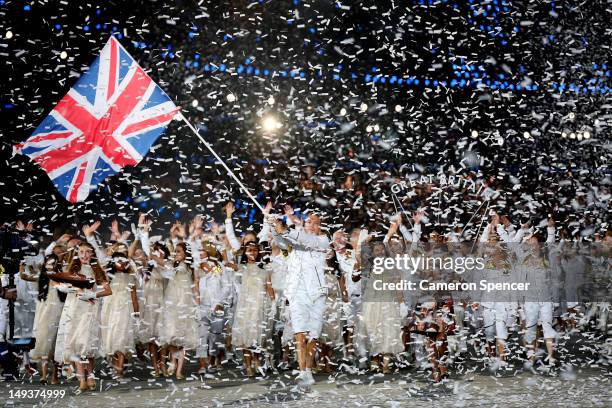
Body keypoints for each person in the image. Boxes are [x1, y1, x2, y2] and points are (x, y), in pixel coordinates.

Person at [271, 209, 330, 390]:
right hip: (297, 293)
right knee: (300, 333)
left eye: (316, 222)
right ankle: (303, 369)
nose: (313, 225)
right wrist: (274, 225)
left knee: (313, 333)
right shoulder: (292, 243)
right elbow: (279, 240)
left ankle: (308, 369)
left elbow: (307, 240)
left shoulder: (322, 241)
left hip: (317, 293)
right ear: (304, 224)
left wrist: (286, 230)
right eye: (310, 222)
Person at [53, 240, 112, 392]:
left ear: (92, 253)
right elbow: (59, 284)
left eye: (87, 252)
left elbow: (108, 290)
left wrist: (91, 294)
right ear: (77, 254)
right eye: (81, 252)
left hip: (89, 310)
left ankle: (90, 377)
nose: (84, 255)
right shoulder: (72, 269)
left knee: (86, 344)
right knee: (75, 344)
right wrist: (69, 288)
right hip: (73, 309)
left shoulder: (97, 270)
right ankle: (82, 380)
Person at [231, 241, 274, 377]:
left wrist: (273, 303)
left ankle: (256, 362)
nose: (252, 252)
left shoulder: (264, 270)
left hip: (258, 307)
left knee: (256, 337)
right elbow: (228, 265)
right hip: (245, 307)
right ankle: (248, 365)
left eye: (255, 250)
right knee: (245, 337)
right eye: (249, 250)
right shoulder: (241, 268)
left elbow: (269, 288)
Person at [157, 242, 198, 380]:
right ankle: (173, 362)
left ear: (186, 254)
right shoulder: (173, 266)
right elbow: (163, 264)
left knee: (181, 338)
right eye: (175, 251)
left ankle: (179, 369)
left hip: (183, 306)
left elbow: (194, 286)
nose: (176, 254)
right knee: (171, 336)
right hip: (171, 305)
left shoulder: (187, 268)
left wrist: (196, 304)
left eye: (179, 251)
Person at [100, 251, 140, 379]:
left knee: (122, 337)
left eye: (124, 261)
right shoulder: (108, 276)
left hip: (125, 310)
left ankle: (120, 368)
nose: (121, 263)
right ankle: (115, 365)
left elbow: (134, 297)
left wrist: (136, 313)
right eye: (119, 260)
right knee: (110, 338)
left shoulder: (130, 277)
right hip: (110, 309)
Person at [31, 254, 65, 384]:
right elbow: (26, 276)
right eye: (48, 264)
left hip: (58, 313)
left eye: (53, 264)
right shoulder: (42, 278)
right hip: (44, 314)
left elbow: (65, 291)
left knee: (56, 343)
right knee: (44, 342)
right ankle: (44, 375)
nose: (51, 266)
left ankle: (55, 374)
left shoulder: (61, 278)